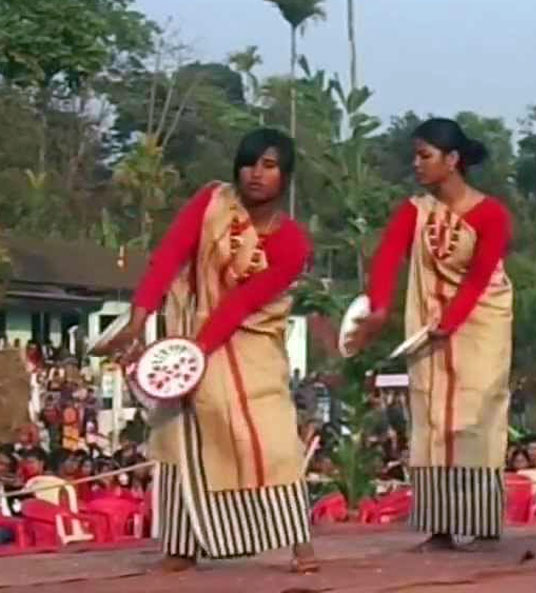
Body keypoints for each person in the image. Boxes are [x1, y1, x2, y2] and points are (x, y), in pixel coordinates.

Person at [94, 128, 316, 573]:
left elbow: (242, 302)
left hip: (252, 346)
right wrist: (138, 320)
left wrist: (196, 353)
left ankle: (299, 542)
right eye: (249, 163)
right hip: (189, 335)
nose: (255, 174)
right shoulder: (211, 203)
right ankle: (181, 546)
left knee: (271, 440)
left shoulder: (293, 243)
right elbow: (169, 255)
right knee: (183, 439)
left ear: (286, 176)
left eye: (269, 166)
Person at [350, 118, 513, 551]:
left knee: (476, 416)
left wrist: (453, 319)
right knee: (431, 416)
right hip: (427, 323)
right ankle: (440, 526)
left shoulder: (491, 213)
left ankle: (482, 524)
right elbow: (388, 257)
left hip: (481, 325)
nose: (416, 164)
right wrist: (379, 308)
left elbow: (480, 276)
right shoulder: (415, 210)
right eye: (415, 155)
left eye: (425, 155)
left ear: (452, 159)